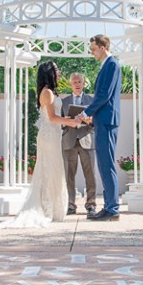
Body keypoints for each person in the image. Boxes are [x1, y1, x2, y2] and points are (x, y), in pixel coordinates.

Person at [0, 61, 81, 228]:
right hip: (48, 136)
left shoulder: (51, 91)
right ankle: (46, 209)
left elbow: (56, 116)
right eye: (56, 70)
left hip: (54, 135)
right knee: (48, 170)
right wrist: (71, 123)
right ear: (50, 73)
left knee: (54, 169)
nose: (59, 72)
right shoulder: (46, 92)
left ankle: (53, 209)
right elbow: (52, 118)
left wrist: (72, 119)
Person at [76, 34, 122, 222]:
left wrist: (85, 113)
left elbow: (103, 95)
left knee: (107, 163)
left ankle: (112, 209)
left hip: (107, 120)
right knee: (103, 164)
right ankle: (109, 207)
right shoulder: (107, 65)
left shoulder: (112, 64)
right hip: (103, 120)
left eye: (93, 49)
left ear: (103, 47)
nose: (92, 53)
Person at [61, 73, 97, 216]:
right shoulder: (64, 101)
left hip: (86, 140)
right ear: (71, 84)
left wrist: (90, 120)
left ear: (83, 83)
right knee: (69, 175)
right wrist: (67, 120)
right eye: (74, 82)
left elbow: (96, 120)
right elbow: (59, 122)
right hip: (69, 141)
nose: (77, 84)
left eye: (79, 81)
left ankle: (91, 204)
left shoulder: (91, 100)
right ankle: (70, 205)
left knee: (90, 175)